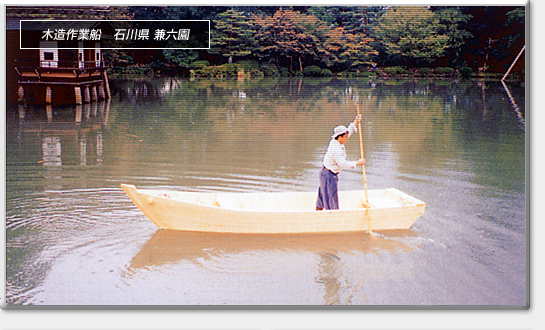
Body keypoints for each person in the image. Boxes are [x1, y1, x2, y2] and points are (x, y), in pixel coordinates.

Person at [316, 114, 366, 210]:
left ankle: (318, 213)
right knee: (330, 200)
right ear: (340, 137)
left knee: (323, 196)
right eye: (346, 136)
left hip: (327, 174)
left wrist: (356, 121)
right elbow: (343, 164)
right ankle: (331, 218)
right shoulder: (336, 148)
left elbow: (349, 131)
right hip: (328, 175)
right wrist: (357, 163)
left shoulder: (337, 141)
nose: (347, 137)